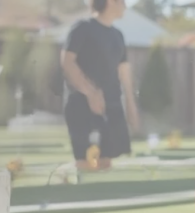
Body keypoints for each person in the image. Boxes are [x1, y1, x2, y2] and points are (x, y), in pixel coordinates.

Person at [60, 0, 140, 171]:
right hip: (81, 104)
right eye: (123, 2)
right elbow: (67, 62)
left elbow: (124, 71)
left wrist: (131, 105)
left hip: (111, 105)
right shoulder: (83, 28)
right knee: (85, 163)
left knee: (106, 163)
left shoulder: (118, 35)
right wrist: (91, 93)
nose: (125, 6)